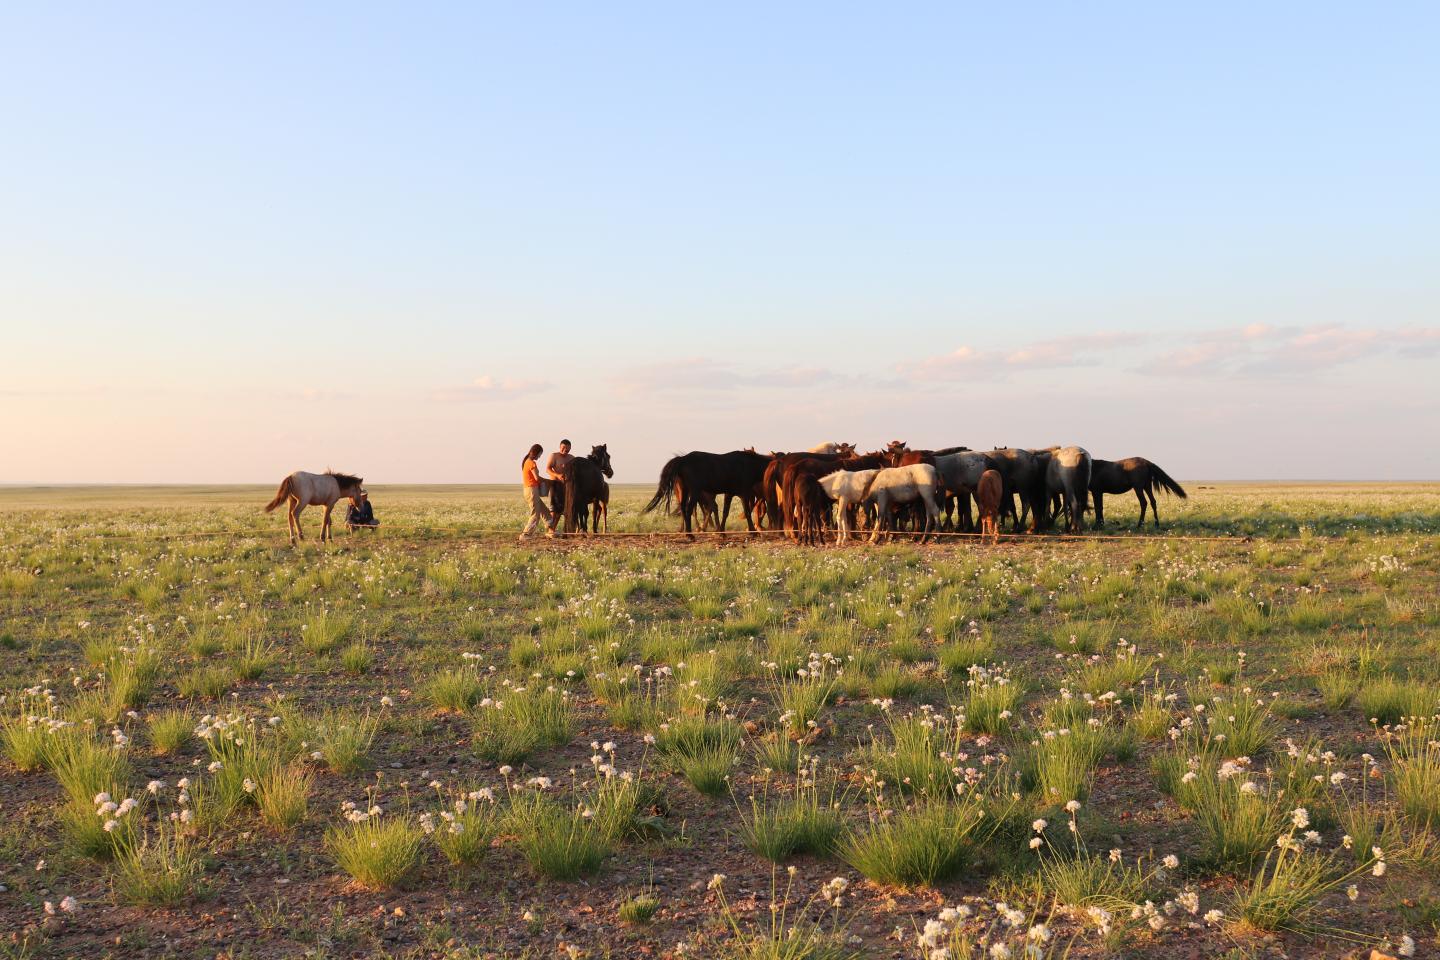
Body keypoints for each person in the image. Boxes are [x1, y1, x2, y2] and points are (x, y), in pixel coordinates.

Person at [520, 443, 557, 539]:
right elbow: (537, 478)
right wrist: (549, 481)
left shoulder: (526, 462)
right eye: (540, 454)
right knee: (535, 514)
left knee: (544, 511)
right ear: (536, 453)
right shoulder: (531, 463)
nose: (540, 456)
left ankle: (551, 531)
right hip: (532, 490)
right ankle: (526, 534)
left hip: (530, 490)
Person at [545, 439, 575, 519]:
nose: (565, 450)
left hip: (566, 487)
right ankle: (550, 530)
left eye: (568, 448)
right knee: (553, 510)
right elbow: (547, 469)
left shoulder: (572, 458)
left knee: (562, 510)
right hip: (555, 485)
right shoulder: (554, 456)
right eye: (563, 447)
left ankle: (554, 530)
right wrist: (557, 475)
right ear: (560, 447)